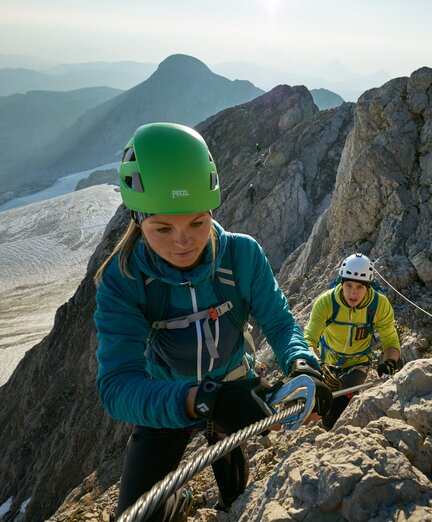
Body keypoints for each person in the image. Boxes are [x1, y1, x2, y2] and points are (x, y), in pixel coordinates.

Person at [94, 122, 332, 520]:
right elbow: (117, 387)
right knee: (140, 514)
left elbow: (279, 322)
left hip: (232, 382)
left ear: (211, 211)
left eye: (197, 223)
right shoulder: (124, 280)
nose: (182, 241)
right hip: (166, 396)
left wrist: (302, 362)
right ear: (137, 220)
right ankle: (179, 503)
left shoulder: (242, 256)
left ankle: (227, 506)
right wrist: (201, 399)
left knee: (234, 491)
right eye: (162, 228)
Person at [303, 253, 401, 430]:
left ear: (368, 287)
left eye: (359, 287)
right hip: (327, 362)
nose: (353, 293)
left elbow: (390, 339)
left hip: (358, 362)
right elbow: (309, 339)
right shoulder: (326, 302)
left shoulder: (379, 305)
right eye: (348, 285)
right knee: (321, 402)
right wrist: (318, 364)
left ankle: (329, 432)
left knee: (340, 404)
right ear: (341, 282)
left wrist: (389, 362)